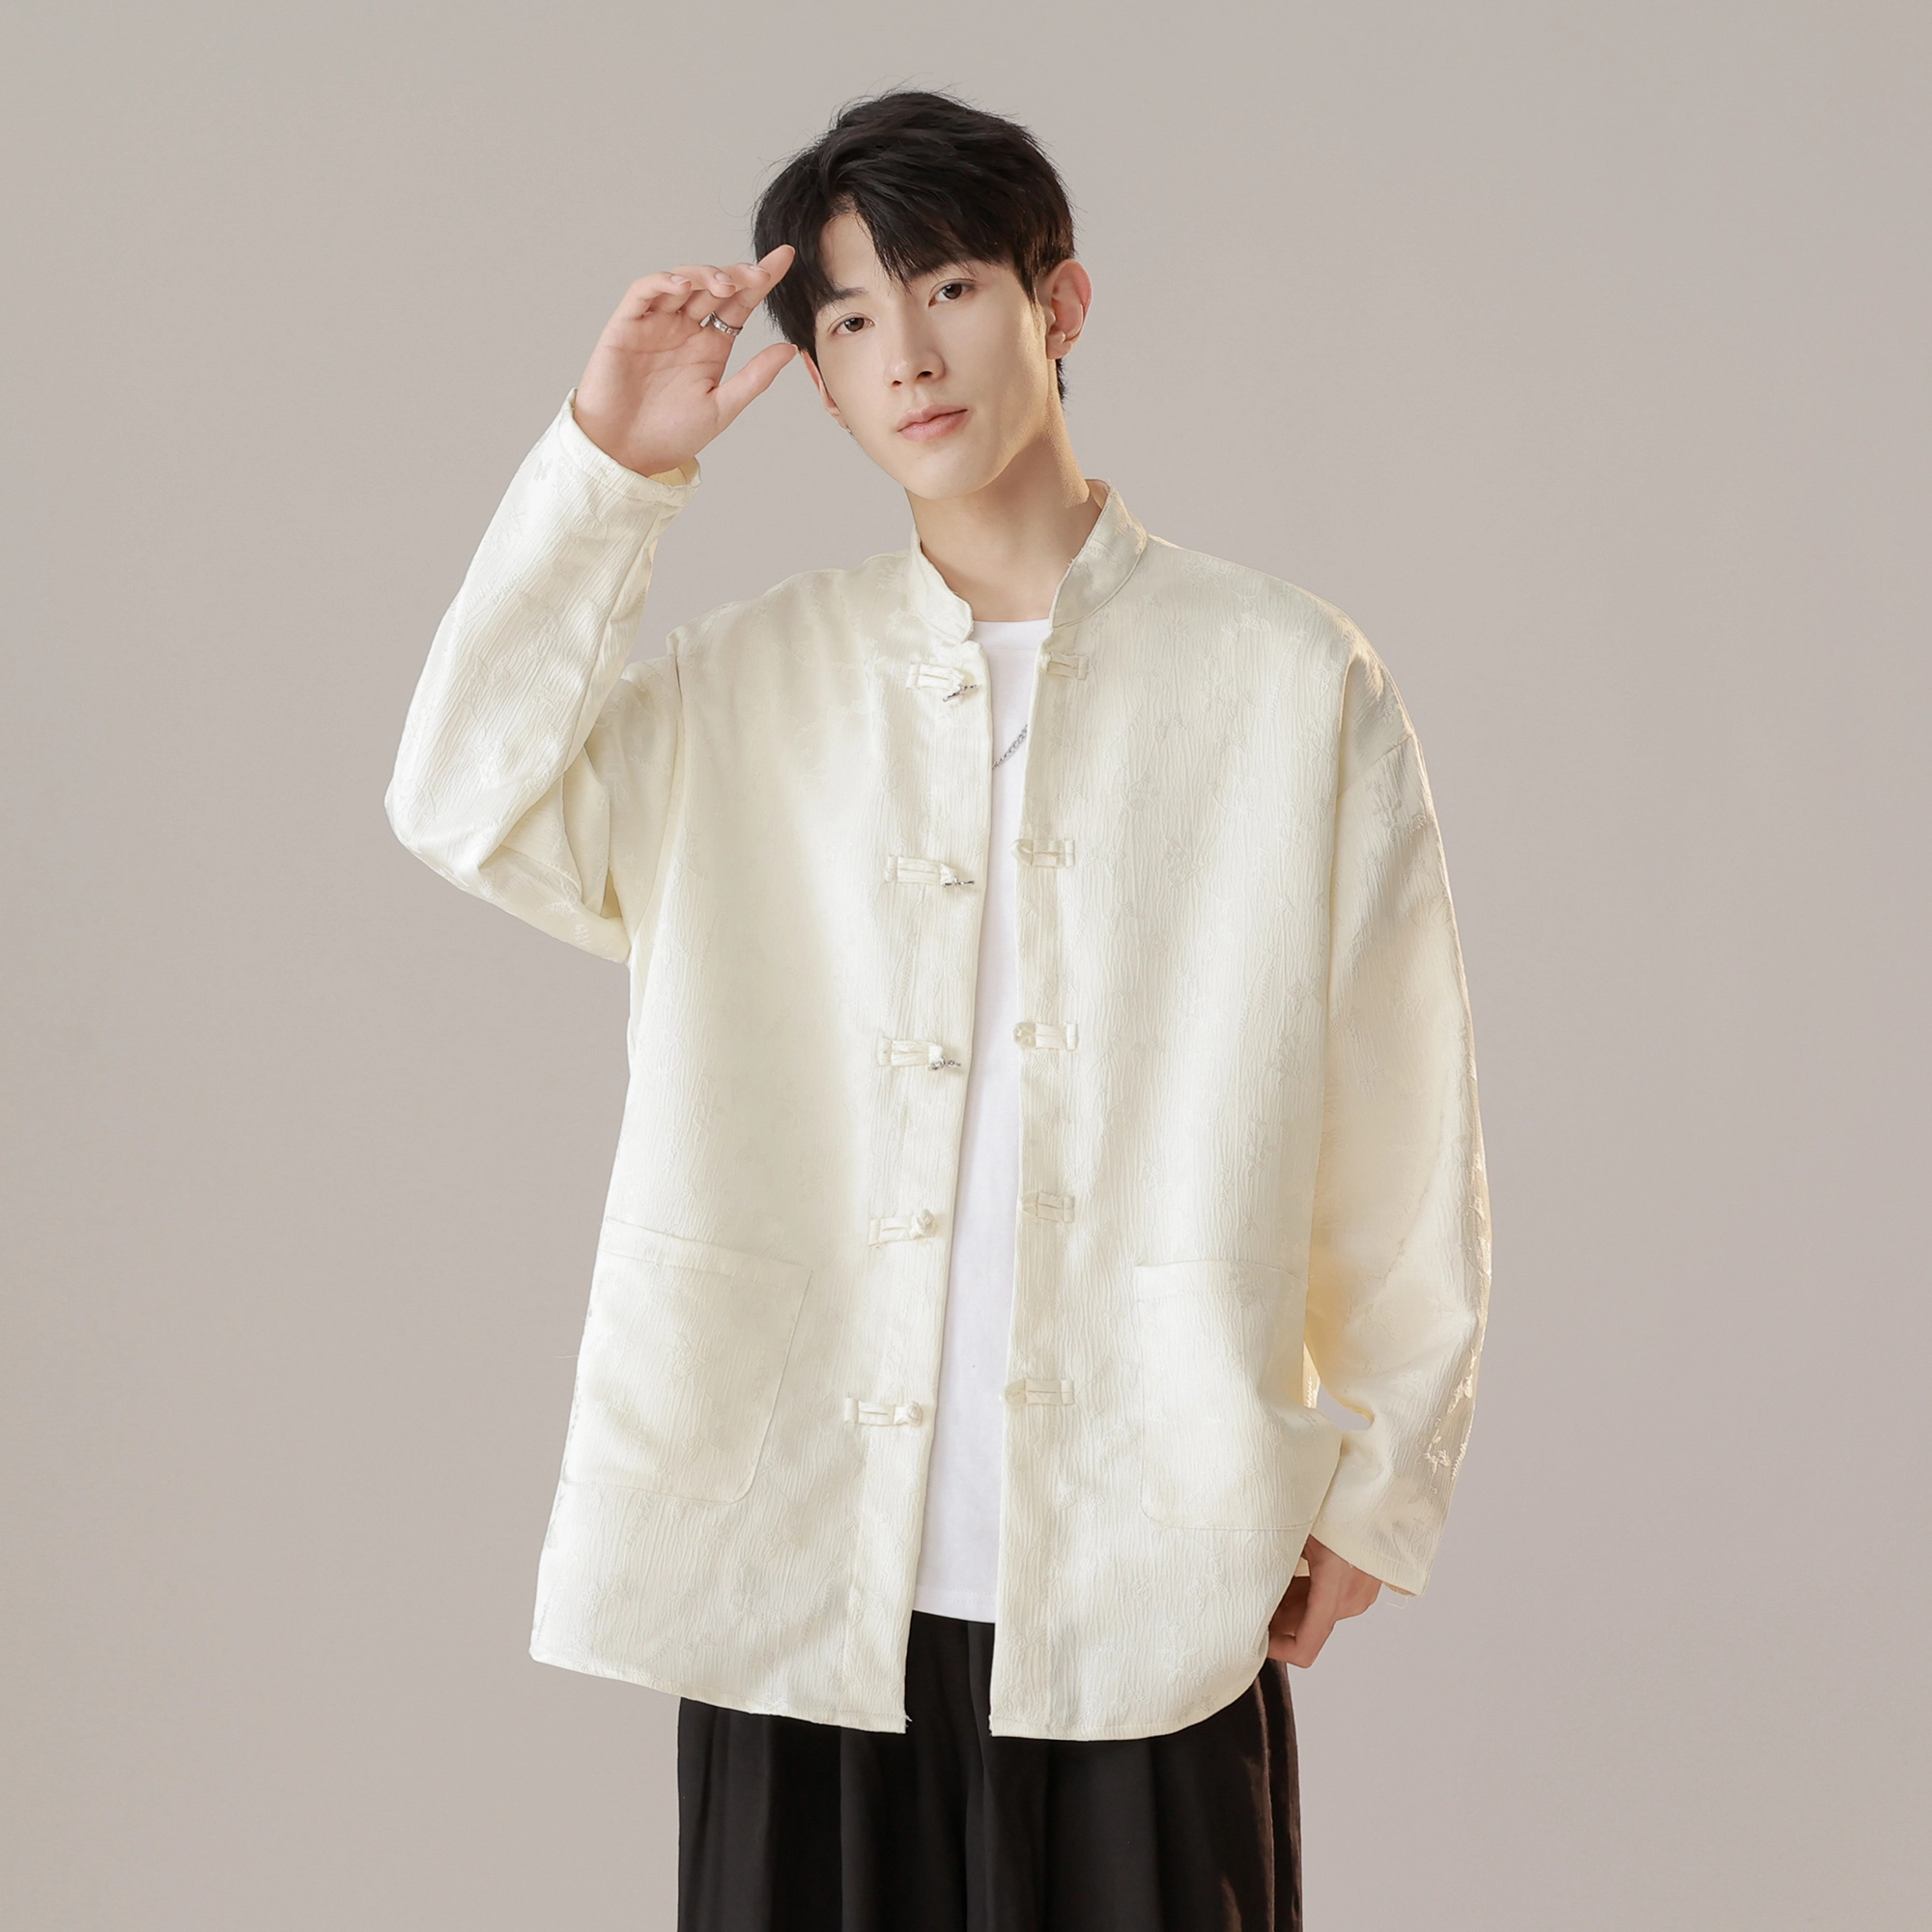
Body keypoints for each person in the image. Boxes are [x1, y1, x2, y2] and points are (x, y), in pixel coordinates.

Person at [386, 87, 1491, 1932]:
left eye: (951, 287)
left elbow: (1405, 1102)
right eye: (846, 318)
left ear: (1060, 305)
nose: (905, 352)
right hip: (799, 1572)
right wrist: (607, 471)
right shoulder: (749, 688)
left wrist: (1377, 1479)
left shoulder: (1287, 679)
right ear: (817, 382)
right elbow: (462, 800)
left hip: (1151, 1557)